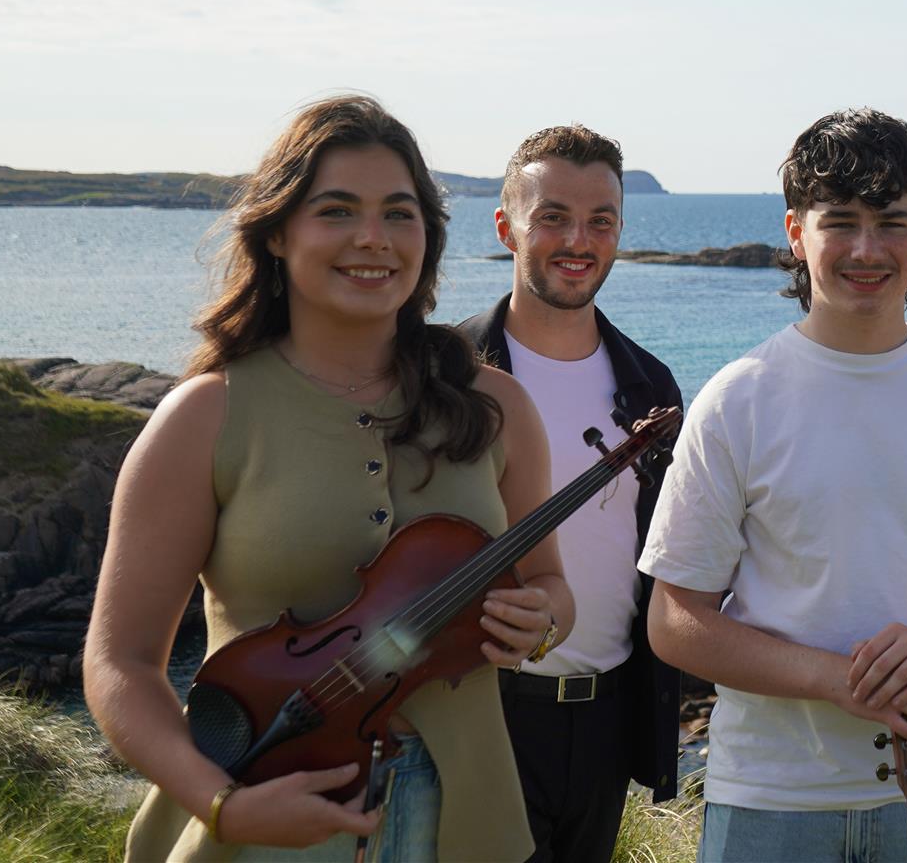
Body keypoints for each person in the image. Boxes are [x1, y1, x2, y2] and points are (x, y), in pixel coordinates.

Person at [85, 95, 571, 862]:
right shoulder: (206, 416)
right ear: (278, 231)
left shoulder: (497, 405)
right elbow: (119, 665)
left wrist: (540, 621)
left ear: (428, 237)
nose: (372, 239)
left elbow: (549, 587)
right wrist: (224, 806)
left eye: (399, 213)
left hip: (464, 823)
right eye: (337, 211)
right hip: (260, 817)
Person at [640, 108, 907, 863]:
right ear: (796, 233)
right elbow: (674, 619)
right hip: (769, 794)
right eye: (841, 222)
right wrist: (834, 679)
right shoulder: (738, 399)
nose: (868, 250)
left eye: (891, 222)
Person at [456, 124, 685, 863]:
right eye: (552, 216)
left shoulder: (650, 384)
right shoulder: (446, 378)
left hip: (608, 719)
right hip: (476, 713)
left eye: (600, 221)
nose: (577, 240)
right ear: (506, 228)